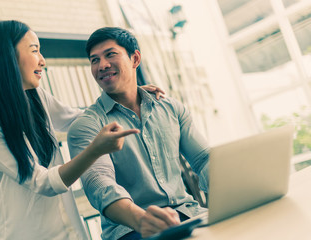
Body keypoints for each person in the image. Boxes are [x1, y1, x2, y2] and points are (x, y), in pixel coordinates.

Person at [0, 20, 162, 240]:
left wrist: (127, 96)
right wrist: (94, 150)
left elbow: (78, 119)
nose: (43, 61)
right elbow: (42, 182)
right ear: (7, 57)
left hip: (66, 230)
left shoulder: (36, 96)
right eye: (35, 51)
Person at [67, 27, 209, 240]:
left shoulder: (170, 107)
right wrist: (142, 220)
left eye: (110, 54)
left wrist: (231, 191)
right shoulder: (87, 126)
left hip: (189, 214)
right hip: (131, 230)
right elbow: (100, 184)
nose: (101, 65)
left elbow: (203, 159)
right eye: (94, 60)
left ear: (135, 59)